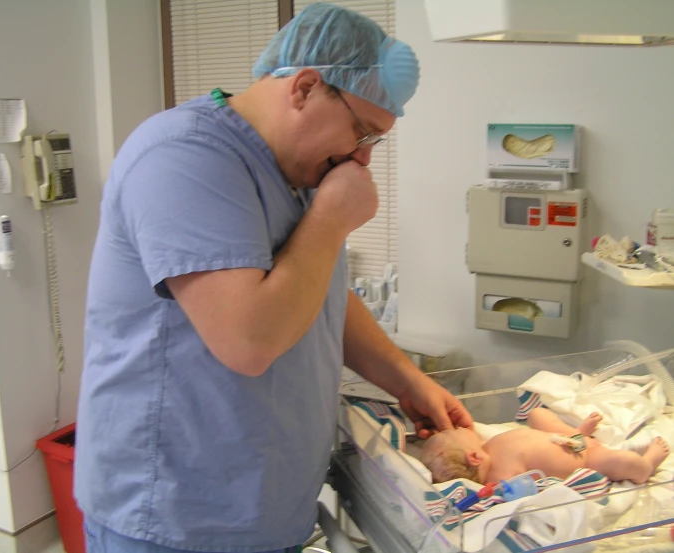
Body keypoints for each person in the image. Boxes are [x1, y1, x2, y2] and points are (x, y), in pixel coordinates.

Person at [74, 3, 473, 553]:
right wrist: (332, 219)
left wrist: (408, 381)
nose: (361, 158)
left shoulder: (300, 169)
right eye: (362, 132)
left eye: (375, 141)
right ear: (305, 87)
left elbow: (324, 293)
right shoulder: (182, 158)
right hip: (177, 515)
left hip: (262, 505)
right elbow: (249, 340)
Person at [420, 407, 670, 486]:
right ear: (473, 457)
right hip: (586, 458)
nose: (461, 428)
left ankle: (581, 432)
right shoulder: (501, 478)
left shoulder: (486, 446)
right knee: (625, 462)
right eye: (457, 432)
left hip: (564, 438)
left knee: (537, 413)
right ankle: (647, 464)